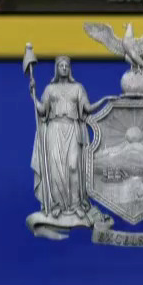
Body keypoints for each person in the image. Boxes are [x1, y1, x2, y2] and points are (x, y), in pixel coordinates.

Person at [28, 56, 95, 228]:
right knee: (55, 168)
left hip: (72, 128)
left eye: (66, 65)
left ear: (70, 69)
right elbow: (43, 111)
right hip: (54, 129)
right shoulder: (50, 89)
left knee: (73, 166)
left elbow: (87, 108)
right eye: (61, 65)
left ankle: (76, 205)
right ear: (56, 69)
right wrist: (33, 96)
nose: (64, 68)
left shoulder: (78, 88)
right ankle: (56, 206)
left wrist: (105, 102)